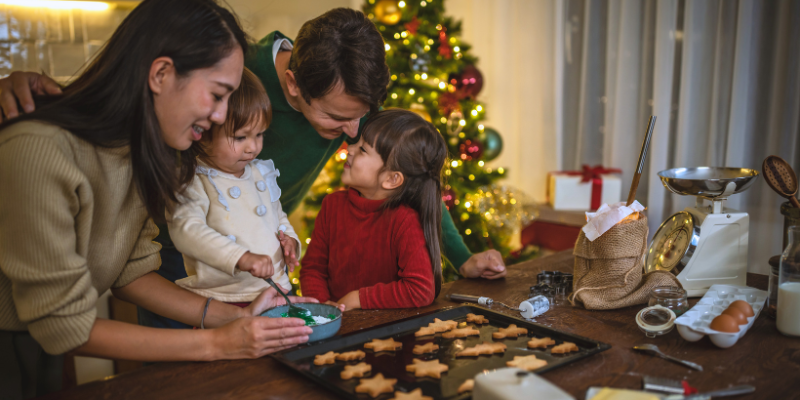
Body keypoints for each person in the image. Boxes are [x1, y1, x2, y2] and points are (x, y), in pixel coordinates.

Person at [0, 7, 507, 329]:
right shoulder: (231, 77)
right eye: (336, 120)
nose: (353, 134)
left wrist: (460, 257)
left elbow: (411, 176)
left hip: (261, 267)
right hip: (178, 260)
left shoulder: (346, 97)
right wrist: (26, 89)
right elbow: (120, 102)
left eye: (360, 118)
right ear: (291, 87)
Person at [0, 1, 313, 398]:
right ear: (161, 74)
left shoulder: (140, 153)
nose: (221, 116)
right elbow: (65, 327)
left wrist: (233, 318)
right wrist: (218, 343)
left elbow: (131, 272)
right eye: (217, 94)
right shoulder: (39, 150)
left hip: (37, 349)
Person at [168, 68, 302, 305]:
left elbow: (277, 217)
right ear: (203, 133)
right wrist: (241, 257)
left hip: (277, 288)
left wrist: (290, 240)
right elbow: (187, 230)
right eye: (240, 137)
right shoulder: (192, 180)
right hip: (225, 298)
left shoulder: (261, 172)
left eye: (259, 134)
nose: (253, 147)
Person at [300, 109, 446, 310]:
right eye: (356, 143)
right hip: (337, 324)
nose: (350, 149)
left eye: (363, 149)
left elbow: (420, 290)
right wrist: (323, 307)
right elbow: (313, 269)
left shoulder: (404, 221)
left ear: (391, 179)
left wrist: (358, 299)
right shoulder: (331, 205)